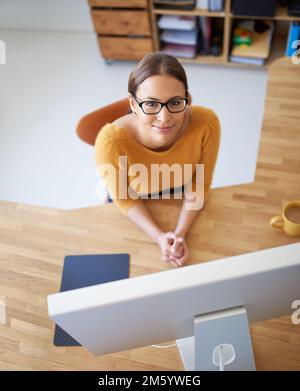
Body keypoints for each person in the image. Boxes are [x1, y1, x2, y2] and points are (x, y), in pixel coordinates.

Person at [95, 52, 220, 268]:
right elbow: (124, 199)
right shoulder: (110, 143)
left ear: (187, 100)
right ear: (133, 104)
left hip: (177, 194)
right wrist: (159, 237)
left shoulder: (207, 125)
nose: (164, 118)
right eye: (151, 104)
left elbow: (199, 184)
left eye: (174, 103)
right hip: (129, 196)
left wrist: (179, 234)